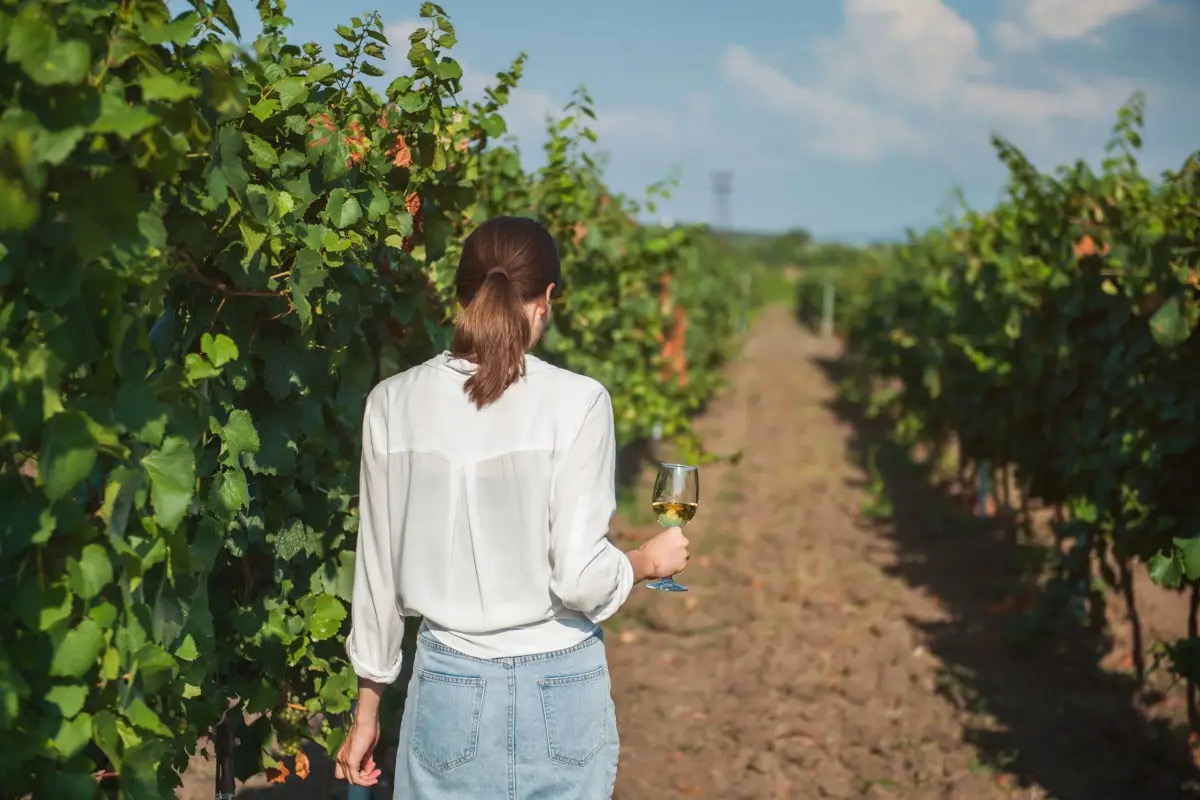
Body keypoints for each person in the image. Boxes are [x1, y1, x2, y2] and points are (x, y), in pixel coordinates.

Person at [335, 215, 691, 798]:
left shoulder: (391, 404)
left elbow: (376, 578)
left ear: (458, 294)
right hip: (562, 684)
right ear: (547, 298)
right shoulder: (579, 403)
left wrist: (367, 712)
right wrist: (643, 563)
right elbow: (578, 578)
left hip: (448, 684)